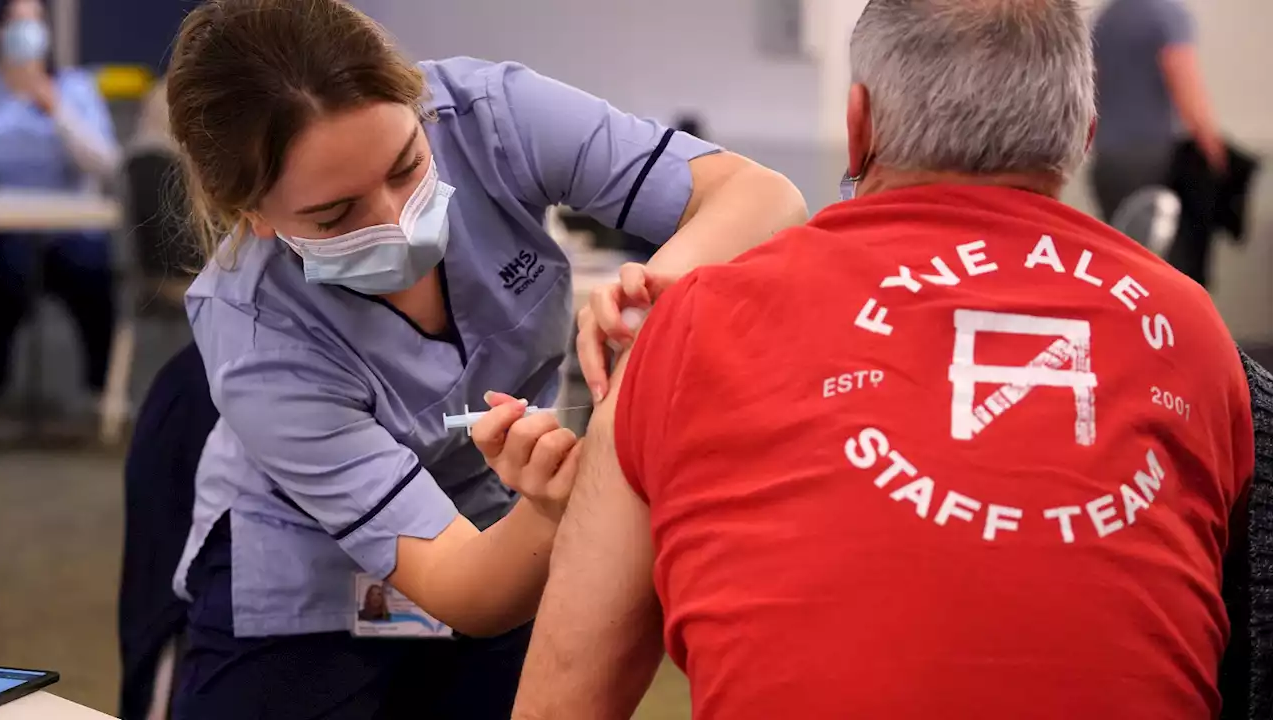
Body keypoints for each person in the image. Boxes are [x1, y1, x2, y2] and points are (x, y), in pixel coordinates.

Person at [515, 1, 1254, 718]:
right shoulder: (1192, 331)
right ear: (1082, 136)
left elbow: (562, 702)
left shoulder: (694, 322)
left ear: (857, 123)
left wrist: (698, 338)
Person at [164, 1, 807, 718]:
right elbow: (462, 588)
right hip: (309, 569)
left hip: (497, 519)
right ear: (252, 214)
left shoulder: (486, 114)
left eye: (407, 166)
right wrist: (552, 507)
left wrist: (662, 288)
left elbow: (763, 198)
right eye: (336, 216)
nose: (397, 220)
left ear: (419, 108)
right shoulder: (254, 332)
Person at [0, 0, 119, 417]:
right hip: (5, 231)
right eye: (16, 25)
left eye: (34, 25)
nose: (26, 35)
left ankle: (100, 390)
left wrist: (56, 110)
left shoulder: (76, 88)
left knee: (93, 276)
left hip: (72, 230)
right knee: (3, 277)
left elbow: (106, 162)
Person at [1091, 0, 1225, 220]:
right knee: (1158, 249)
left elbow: (1091, 85)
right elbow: (1185, 84)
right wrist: (1213, 149)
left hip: (1108, 160)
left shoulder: (1106, 18)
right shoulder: (1168, 15)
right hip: (1153, 159)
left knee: (1119, 244)